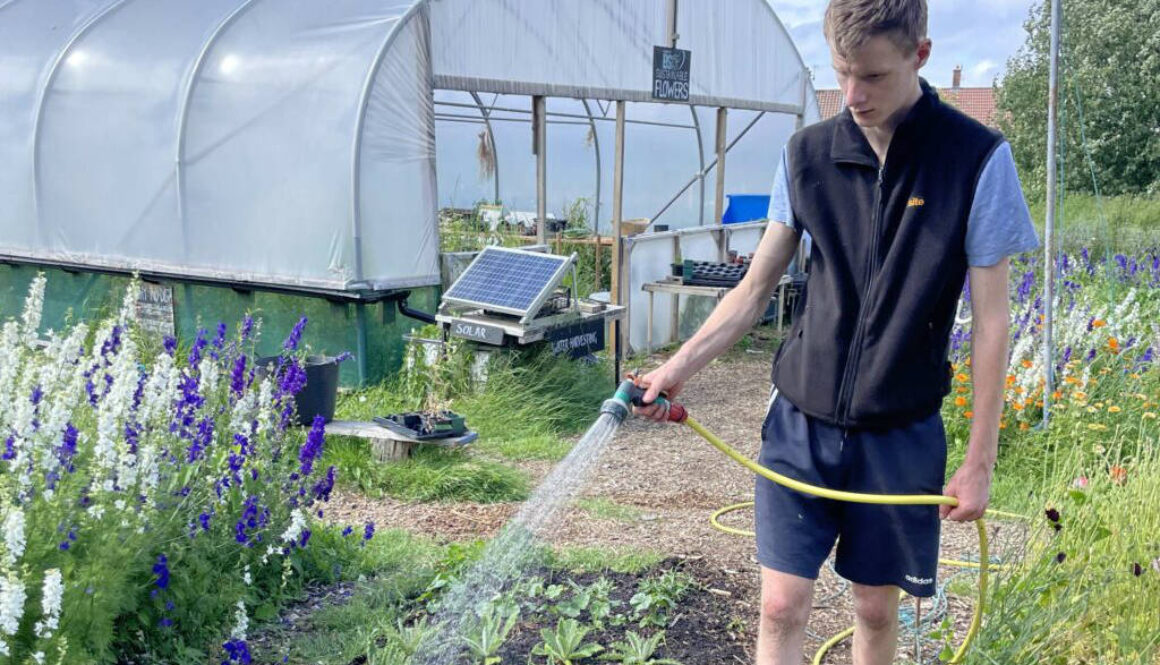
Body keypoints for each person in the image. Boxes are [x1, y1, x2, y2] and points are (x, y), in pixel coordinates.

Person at [633, 1, 1039, 663]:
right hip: (801, 421)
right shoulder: (806, 156)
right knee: (780, 603)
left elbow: (994, 323)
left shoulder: (975, 160)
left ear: (920, 55)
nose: (852, 95)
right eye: (842, 72)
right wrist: (674, 370)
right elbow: (753, 288)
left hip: (900, 433)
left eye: (873, 76)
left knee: (875, 611)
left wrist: (979, 461)